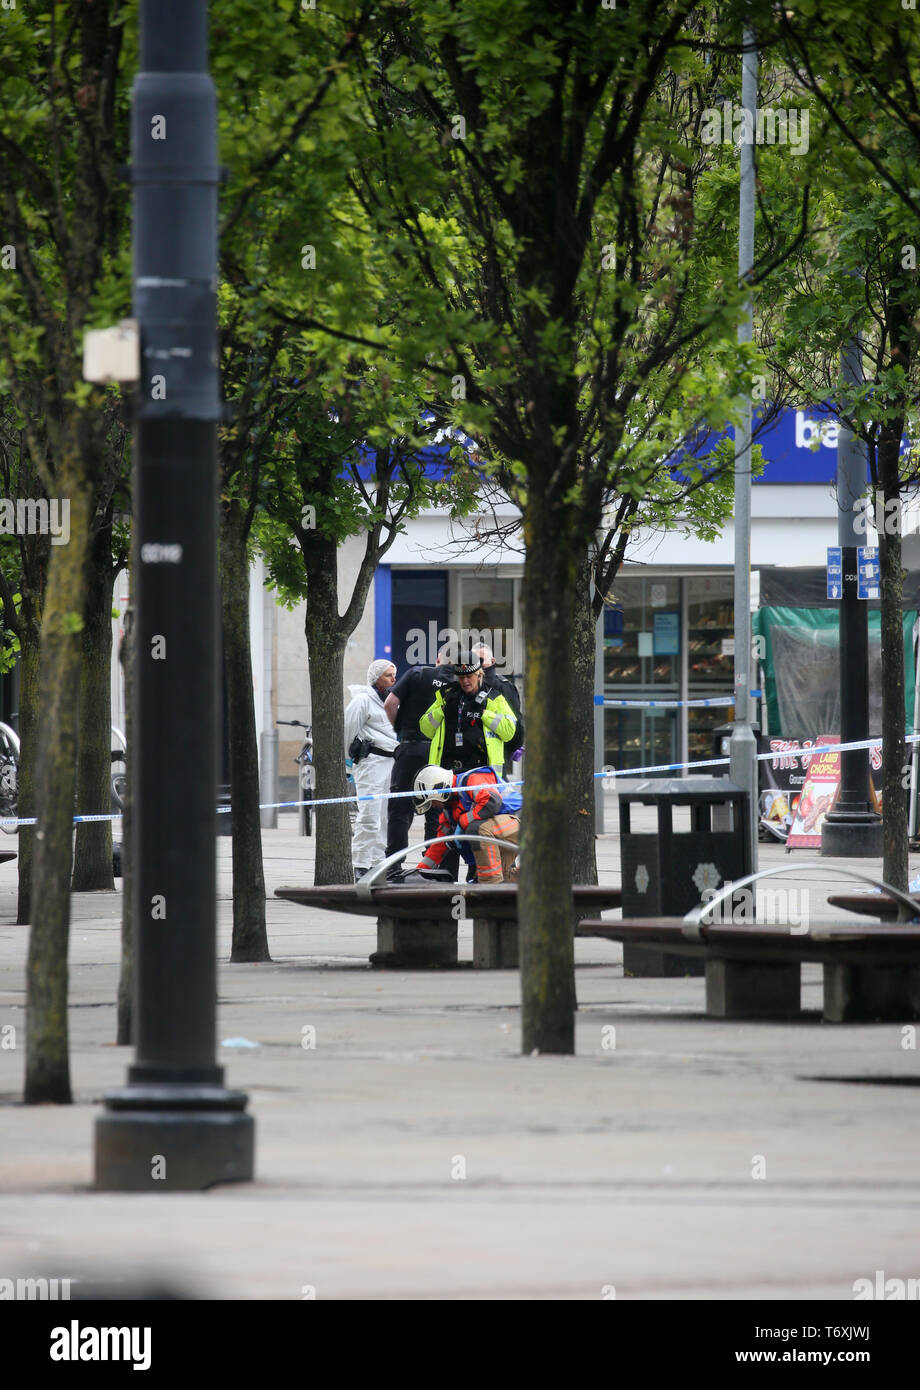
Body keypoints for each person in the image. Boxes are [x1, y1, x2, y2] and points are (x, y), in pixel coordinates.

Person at [383, 644, 454, 880]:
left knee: (399, 808)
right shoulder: (458, 683)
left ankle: (394, 865)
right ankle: (431, 864)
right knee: (436, 810)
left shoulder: (417, 674)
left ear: (438, 659)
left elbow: (390, 703)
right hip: (438, 753)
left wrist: (400, 730)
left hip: (411, 747)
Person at [408, 764, 521, 884]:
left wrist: (463, 822)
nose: (434, 806)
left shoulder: (472, 780)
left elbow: (491, 802)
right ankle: (533, 877)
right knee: (497, 878)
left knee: (476, 829)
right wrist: (417, 874)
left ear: (440, 789)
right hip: (503, 832)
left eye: (432, 802)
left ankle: (489, 888)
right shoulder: (449, 811)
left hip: (520, 823)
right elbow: (439, 846)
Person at [420, 644, 517, 776]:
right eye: (461, 677)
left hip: (482, 774)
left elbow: (509, 732)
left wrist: (485, 714)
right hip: (447, 773)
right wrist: (441, 711)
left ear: (479, 674)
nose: (465, 681)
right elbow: (425, 729)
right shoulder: (446, 696)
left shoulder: (494, 698)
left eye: (469, 676)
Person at [344, 658, 397, 881]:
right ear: (376, 678)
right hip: (371, 762)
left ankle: (377, 861)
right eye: (388, 675)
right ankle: (361, 863)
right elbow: (348, 730)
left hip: (391, 762)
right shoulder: (362, 701)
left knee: (384, 816)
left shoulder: (393, 700)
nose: (393, 679)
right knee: (369, 815)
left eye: (394, 674)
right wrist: (348, 762)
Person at [471, 642, 524, 775]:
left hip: (496, 754)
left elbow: (515, 724)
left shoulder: (504, 687)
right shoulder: (466, 685)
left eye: (482, 660)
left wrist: (513, 748)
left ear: (493, 661)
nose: (478, 663)